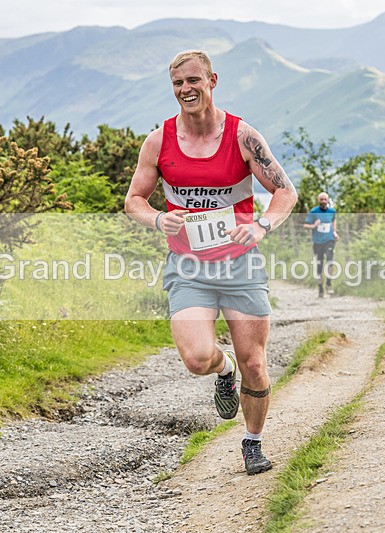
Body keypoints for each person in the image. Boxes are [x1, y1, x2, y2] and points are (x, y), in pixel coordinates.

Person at [124, 50, 297, 475]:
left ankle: (252, 442)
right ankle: (225, 369)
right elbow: (133, 201)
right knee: (198, 358)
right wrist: (159, 217)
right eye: (178, 83)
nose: (186, 89)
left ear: (212, 80)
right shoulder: (159, 141)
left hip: (239, 264)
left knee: (255, 361)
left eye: (194, 80)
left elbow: (286, 192)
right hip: (188, 266)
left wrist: (261, 227)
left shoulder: (241, 136)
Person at [303, 192, 339, 297]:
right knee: (319, 266)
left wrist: (334, 232)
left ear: (328, 200)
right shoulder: (314, 212)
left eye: (325, 199)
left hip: (329, 240)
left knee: (330, 262)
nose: (323, 201)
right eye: (321, 199)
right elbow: (305, 225)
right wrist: (314, 226)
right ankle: (320, 288)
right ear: (318, 200)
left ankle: (328, 283)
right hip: (318, 242)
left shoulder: (332, 211)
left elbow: (333, 221)